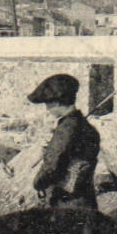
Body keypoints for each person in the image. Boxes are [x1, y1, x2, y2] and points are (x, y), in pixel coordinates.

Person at [27, 73, 100, 209]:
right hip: (86, 200)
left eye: (47, 104)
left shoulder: (66, 128)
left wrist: (38, 183)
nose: (47, 109)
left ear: (56, 101)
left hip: (66, 204)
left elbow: (52, 166)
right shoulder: (86, 126)